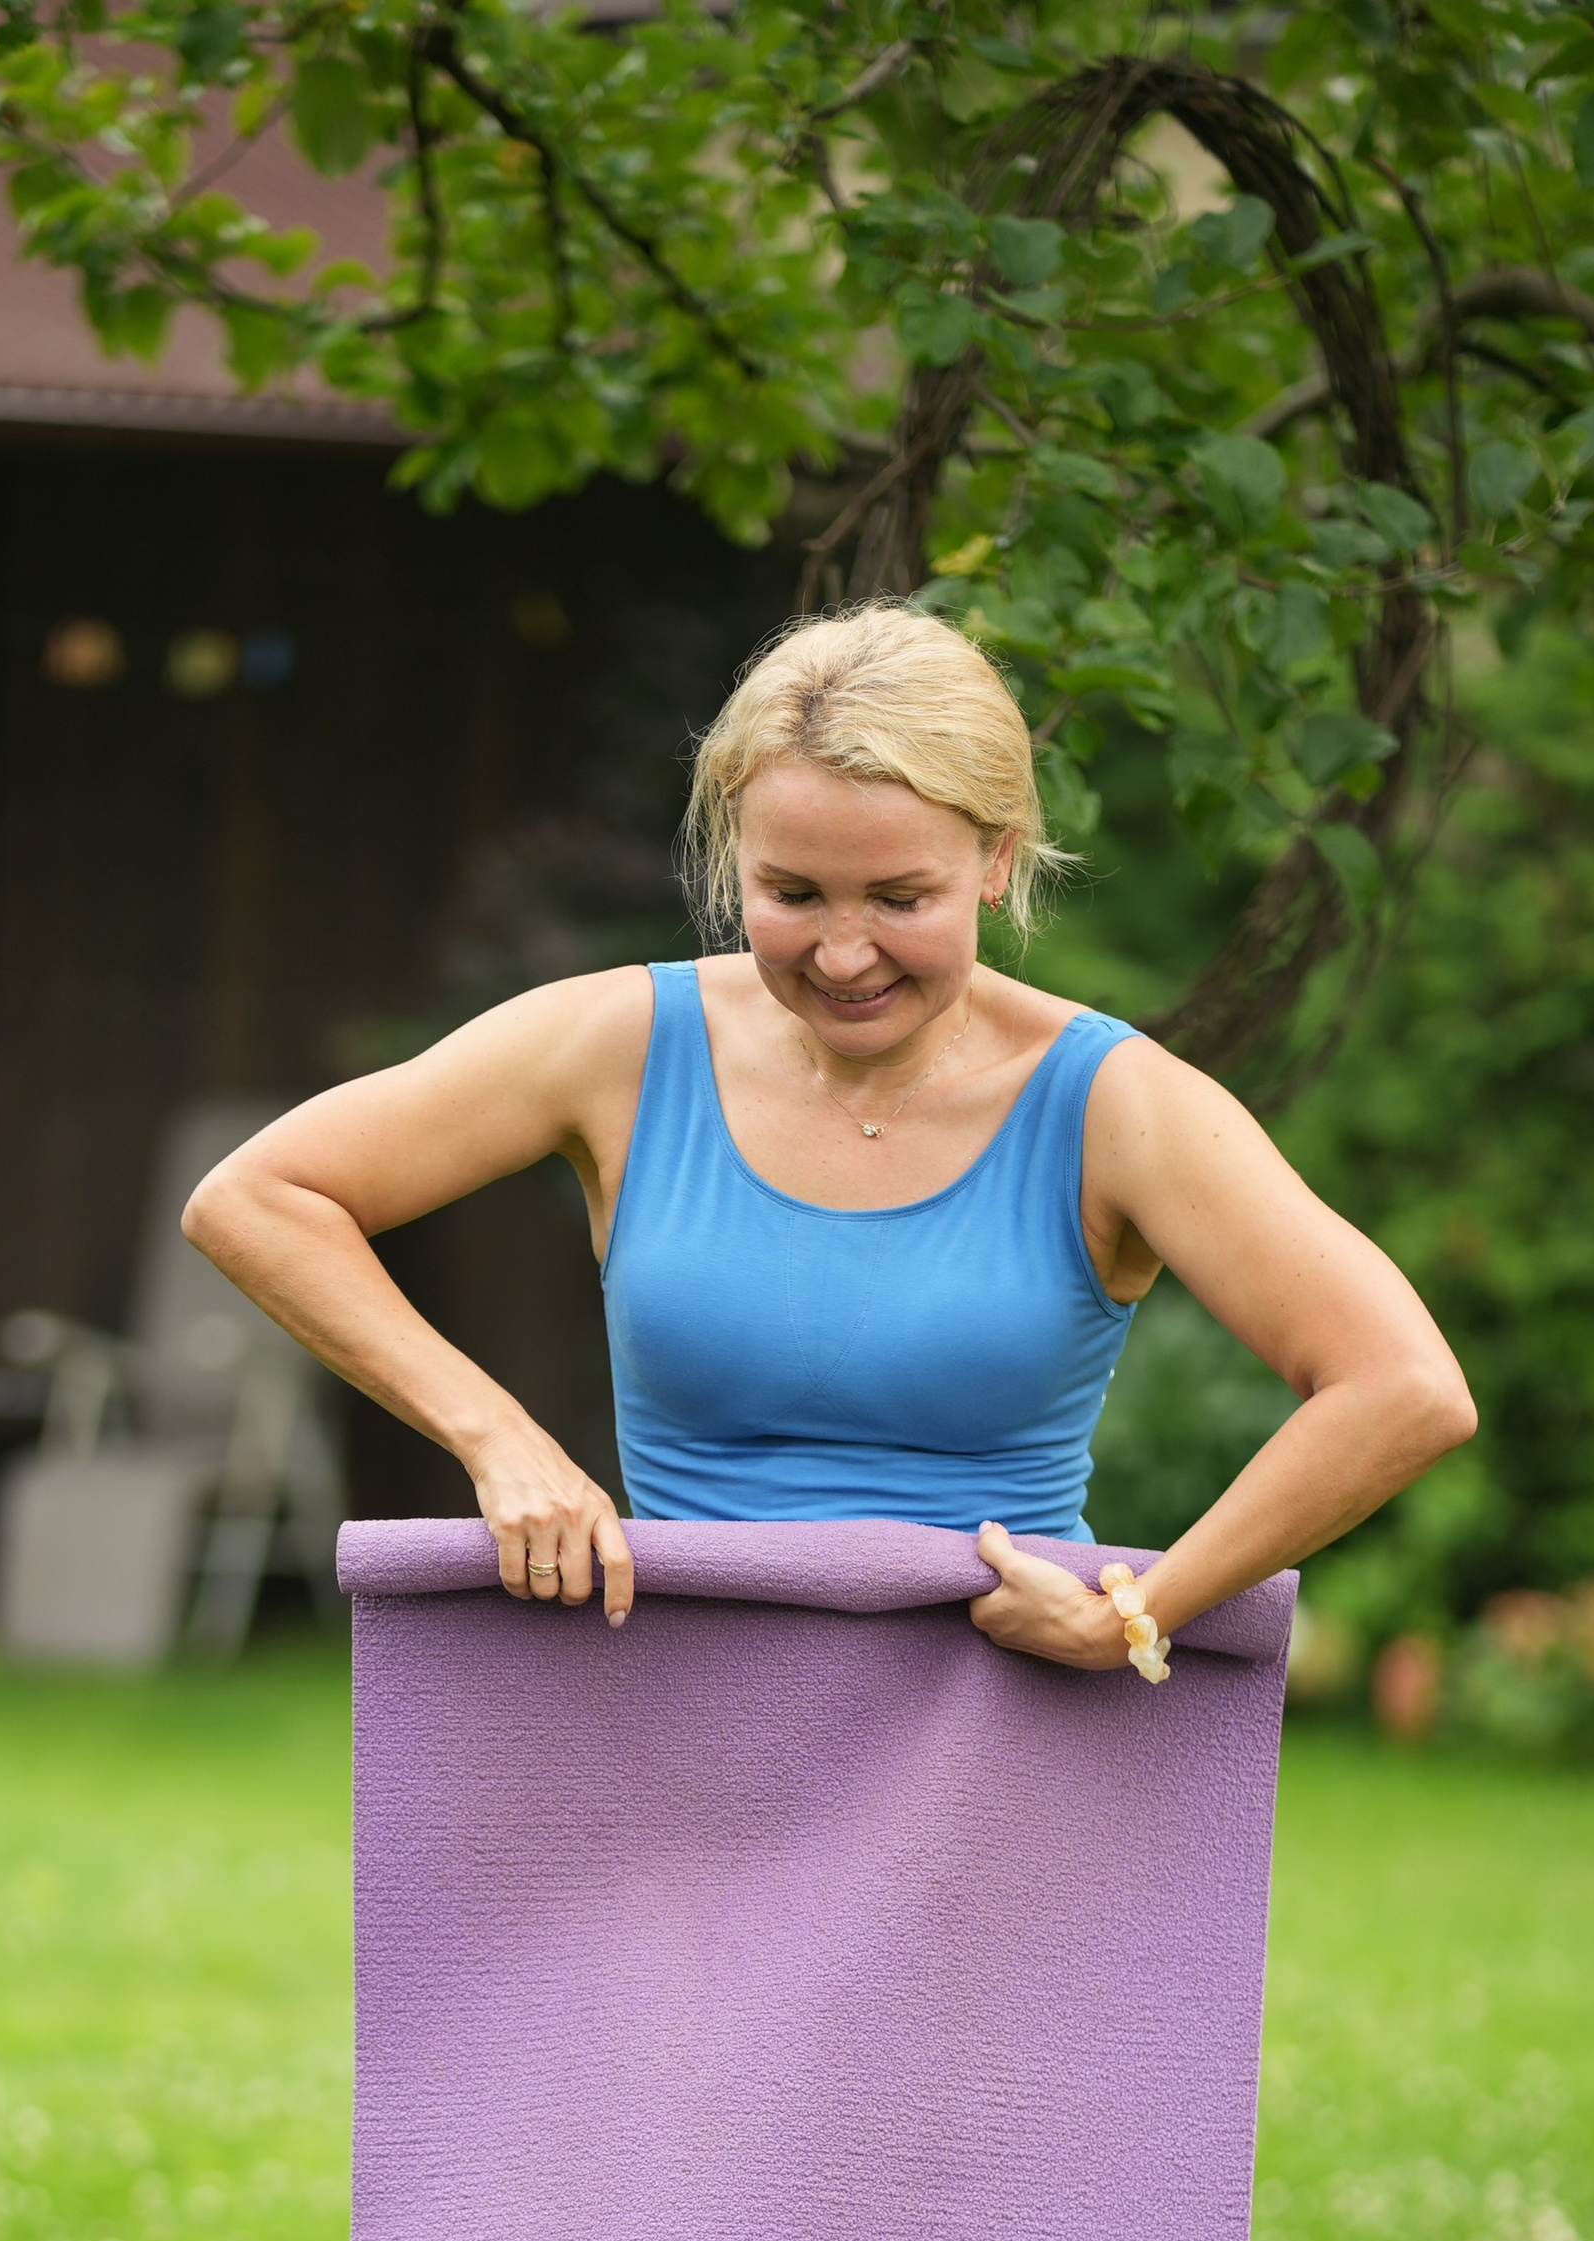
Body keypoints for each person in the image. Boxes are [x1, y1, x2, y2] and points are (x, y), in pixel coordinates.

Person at [180, 602, 1474, 1658]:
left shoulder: (1116, 1106)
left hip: (995, 1743)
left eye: (900, 898)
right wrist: (496, 1435)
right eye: (792, 893)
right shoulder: (618, 1046)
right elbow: (257, 1198)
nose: (844, 953)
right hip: (676, 1726)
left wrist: (1137, 1610)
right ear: (734, 860)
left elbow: (1402, 1387)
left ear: (997, 861)